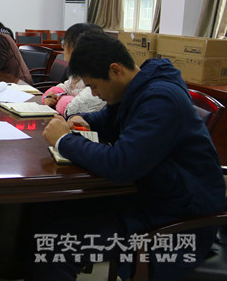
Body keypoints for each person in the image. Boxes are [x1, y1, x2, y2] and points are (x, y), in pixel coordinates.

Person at [30, 32, 226, 280]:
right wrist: (83, 120)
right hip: (150, 195)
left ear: (115, 70)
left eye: (94, 86)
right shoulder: (136, 88)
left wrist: (64, 140)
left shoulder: (160, 99)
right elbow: (110, 120)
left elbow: (120, 165)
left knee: (53, 245)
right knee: (49, 210)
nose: (94, 94)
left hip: (176, 220)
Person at [41, 23, 106, 117]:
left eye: (65, 43)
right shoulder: (79, 71)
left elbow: (72, 110)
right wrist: (50, 96)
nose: (63, 47)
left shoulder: (99, 77)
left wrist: (59, 99)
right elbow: (66, 87)